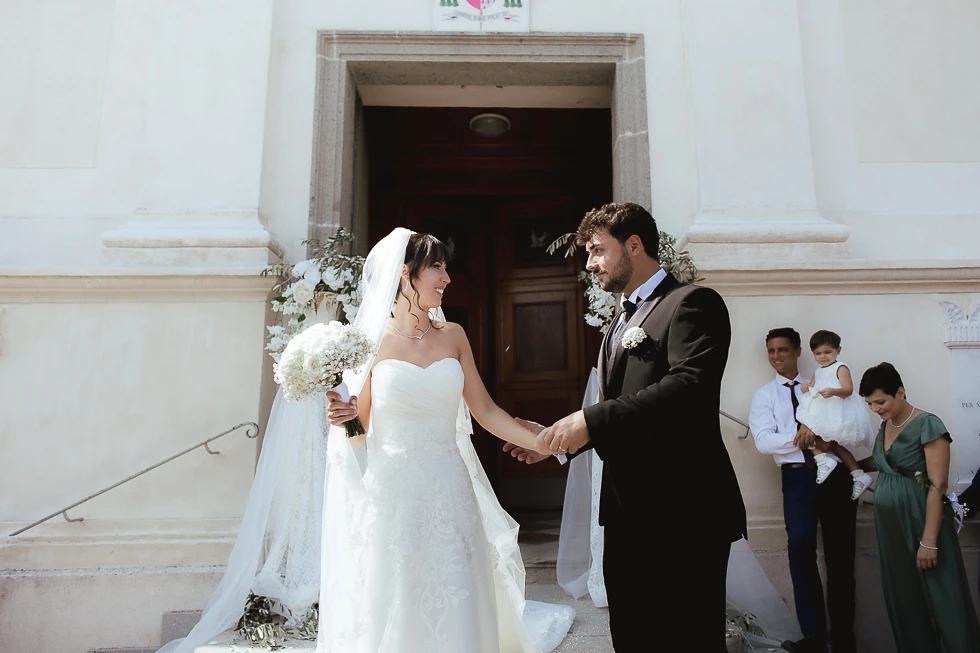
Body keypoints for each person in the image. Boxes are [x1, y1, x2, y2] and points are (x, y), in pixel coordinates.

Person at [505, 202, 747, 651]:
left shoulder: (692, 303)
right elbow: (619, 407)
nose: (590, 263)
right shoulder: (618, 320)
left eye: (598, 250)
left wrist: (588, 421)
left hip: (684, 511)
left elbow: (688, 388)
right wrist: (557, 443)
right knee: (634, 638)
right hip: (625, 513)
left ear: (634, 245)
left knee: (688, 639)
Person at [321, 228, 575, 653]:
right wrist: (343, 419)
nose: (446, 277)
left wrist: (545, 443)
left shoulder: (454, 335)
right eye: (436, 267)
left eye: (446, 267)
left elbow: (487, 412)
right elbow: (358, 435)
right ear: (406, 273)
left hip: (448, 487)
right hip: (393, 493)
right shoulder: (370, 343)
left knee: (455, 585)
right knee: (398, 590)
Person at [855, 362, 980, 652]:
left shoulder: (928, 424)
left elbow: (938, 484)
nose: (876, 409)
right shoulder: (886, 425)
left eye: (881, 401)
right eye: (870, 404)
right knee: (905, 595)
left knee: (944, 595)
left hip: (923, 521)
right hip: (892, 528)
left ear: (900, 392)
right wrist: (844, 462)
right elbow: (885, 462)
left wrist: (930, 541)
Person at [749, 327, 857, 653]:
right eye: (771, 351)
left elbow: (845, 426)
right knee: (800, 550)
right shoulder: (764, 395)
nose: (776, 356)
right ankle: (813, 639)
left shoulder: (822, 387)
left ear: (798, 352)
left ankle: (842, 640)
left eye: (783, 350)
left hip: (835, 476)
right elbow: (764, 440)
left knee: (840, 558)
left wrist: (823, 433)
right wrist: (804, 439)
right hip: (797, 478)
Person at [794, 329, 874, 499]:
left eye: (827, 352)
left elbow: (848, 390)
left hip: (836, 410)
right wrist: (807, 387)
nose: (823, 357)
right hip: (823, 410)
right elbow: (814, 387)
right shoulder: (818, 370)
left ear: (838, 350)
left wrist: (834, 391)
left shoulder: (840, 367)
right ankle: (858, 474)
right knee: (833, 445)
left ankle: (823, 459)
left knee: (820, 441)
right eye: (818, 353)